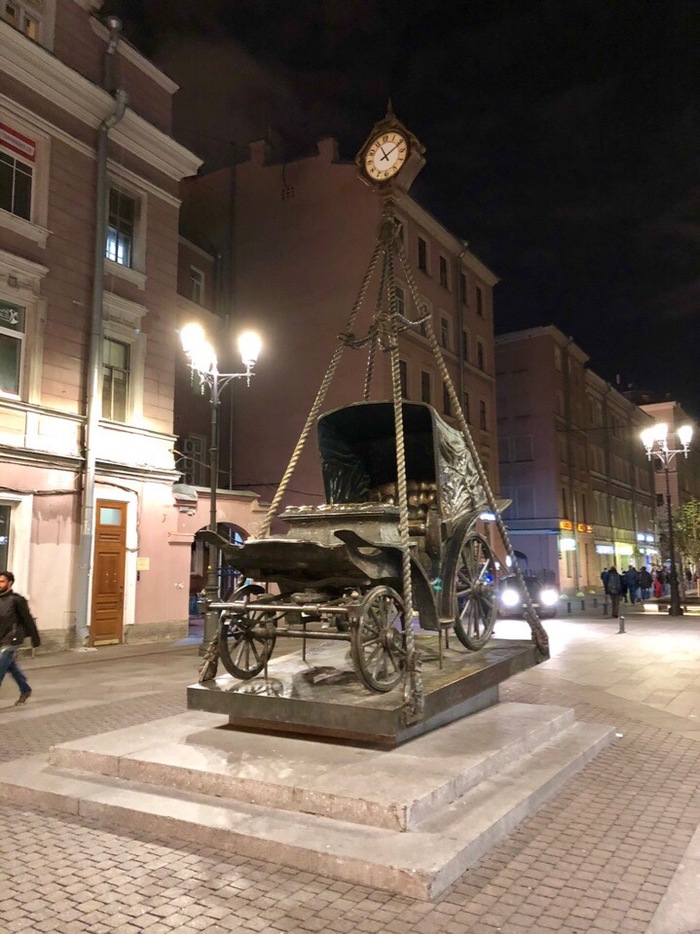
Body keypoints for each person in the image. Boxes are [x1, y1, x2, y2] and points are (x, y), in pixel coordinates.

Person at [0, 571, 39, 705]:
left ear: (10, 583)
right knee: (10, 666)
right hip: (0, 638)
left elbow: (27, 619)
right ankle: (25, 689)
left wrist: (35, 638)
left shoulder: (17, 600)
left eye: (2, 581)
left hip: (12, 639)